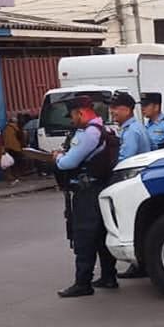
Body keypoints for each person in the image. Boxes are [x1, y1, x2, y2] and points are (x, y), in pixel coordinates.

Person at [53, 95, 118, 297]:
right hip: (102, 188)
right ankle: (108, 276)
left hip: (87, 191)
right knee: (100, 235)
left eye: (72, 115)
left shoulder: (88, 133)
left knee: (84, 236)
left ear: (80, 112)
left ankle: (83, 283)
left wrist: (58, 157)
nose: (72, 120)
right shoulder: (105, 129)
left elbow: (68, 163)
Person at [111, 91, 153, 281]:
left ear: (127, 110)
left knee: (131, 223)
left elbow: (124, 160)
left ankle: (138, 264)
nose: (113, 113)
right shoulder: (137, 128)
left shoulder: (132, 132)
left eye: (116, 109)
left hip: (132, 182)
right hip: (141, 181)